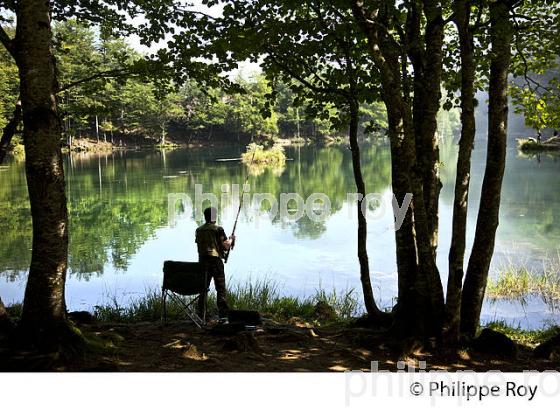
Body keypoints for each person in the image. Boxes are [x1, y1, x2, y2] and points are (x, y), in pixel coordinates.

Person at [195, 207, 234, 322]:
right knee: (221, 289)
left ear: (205, 216)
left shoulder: (198, 230)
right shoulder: (218, 229)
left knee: (203, 289)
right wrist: (231, 240)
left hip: (202, 263)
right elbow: (225, 246)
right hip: (215, 262)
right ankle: (223, 316)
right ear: (214, 217)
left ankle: (201, 314)